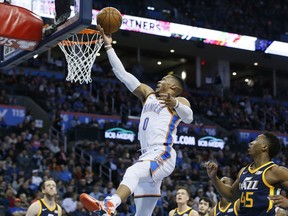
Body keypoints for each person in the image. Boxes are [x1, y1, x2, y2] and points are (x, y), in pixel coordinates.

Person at [80, 24, 193, 216]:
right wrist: (108, 46)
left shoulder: (179, 100)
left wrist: (175, 103)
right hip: (147, 155)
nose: (159, 81)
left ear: (174, 87)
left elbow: (189, 118)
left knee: (132, 172)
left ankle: (110, 204)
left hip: (162, 153)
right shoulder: (147, 94)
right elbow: (122, 74)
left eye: (165, 79)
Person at [205, 132, 288, 216]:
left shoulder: (276, 171)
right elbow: (231, 195)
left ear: (264, 147)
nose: (251, 142)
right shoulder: (243, 171)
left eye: (256, 140)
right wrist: (214, 178)